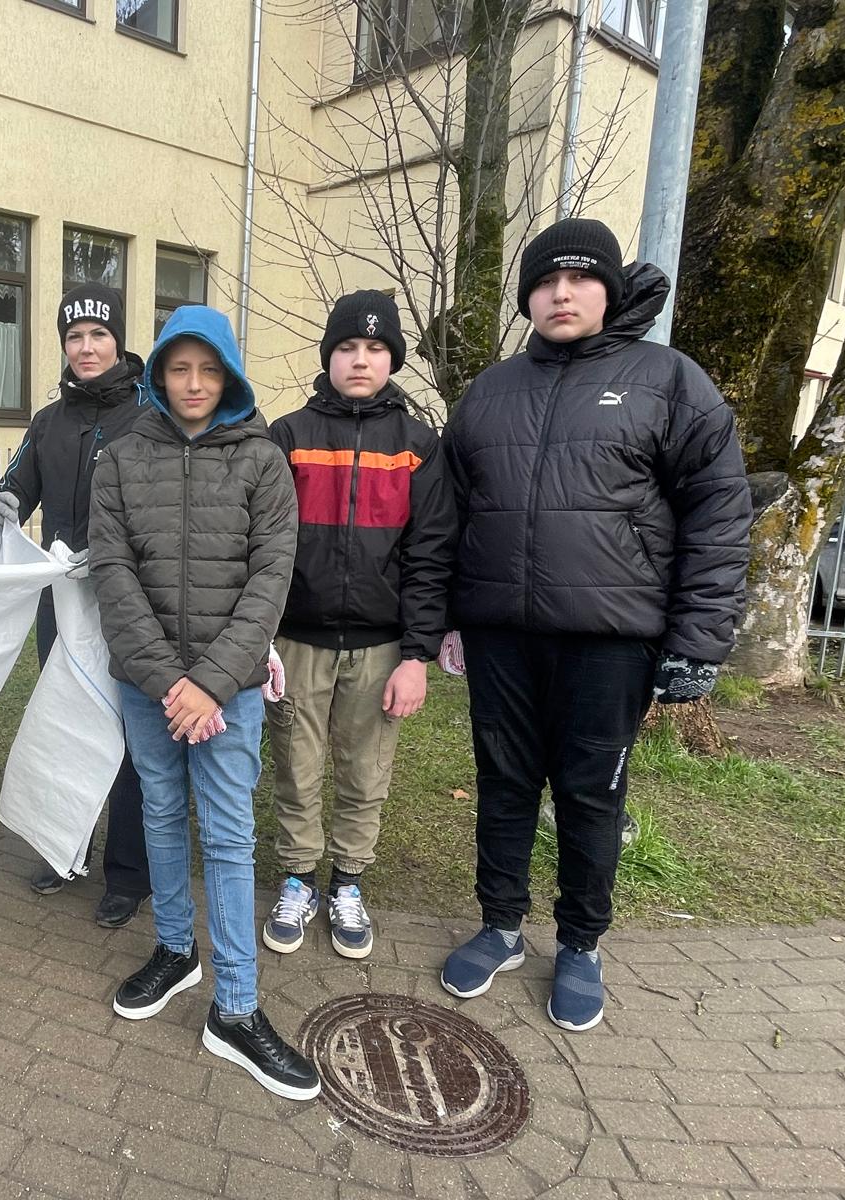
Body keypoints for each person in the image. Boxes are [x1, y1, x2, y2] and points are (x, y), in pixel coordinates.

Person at [438, 218, 750, 1032]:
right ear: (528, 298)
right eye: (545, 282)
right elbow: (448, 516)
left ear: (608, 290)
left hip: (610, 641)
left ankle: (580, 942)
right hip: (502, 635)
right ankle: (500, 925)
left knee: (590, 793)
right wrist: (443, 618)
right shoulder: (489, 393)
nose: (561, 294)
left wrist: (696, 642)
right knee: (505, 785)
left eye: (578, 279)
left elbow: (718, 515)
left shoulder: (668, 381)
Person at [88, 304, 318, 1101]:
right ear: (157, 374)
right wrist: (168, 681)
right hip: (149, 685)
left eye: (208, 369)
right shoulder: (120, 459)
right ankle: (175, 950)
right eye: (179, 368)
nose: (193, 383)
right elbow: (112, 575)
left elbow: (270, 580)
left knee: (226, 836)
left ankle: (237, 1008)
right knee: (158, 812)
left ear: (229, 376)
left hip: (229, 690)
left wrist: (212, 682)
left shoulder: (262, 461)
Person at [262, 290, 457, 960]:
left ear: (393, 359)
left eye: (375, 348)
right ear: (329, 356)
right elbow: (261, 544)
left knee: (365, 772)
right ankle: (298, 878)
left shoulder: (417, 445)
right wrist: (261, 636)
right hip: (297, 641)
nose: (360, 360)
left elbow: (431, 555)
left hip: (380, 647)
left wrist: (416, 656)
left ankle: (347, 882)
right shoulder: (288, 436)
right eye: (347, 347)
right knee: (296, 767)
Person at [0, 282, 151, 927]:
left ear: (118, 341)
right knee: (65, 723)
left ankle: (129, 874)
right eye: (74, 336)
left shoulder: (150, 415)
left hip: (132, 607)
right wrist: (1, 504)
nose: (86, 347)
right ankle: (63, 848)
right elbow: (16, 488)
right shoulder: (49, 421)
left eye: (98, 334)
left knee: (131, 738)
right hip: (62, 603)